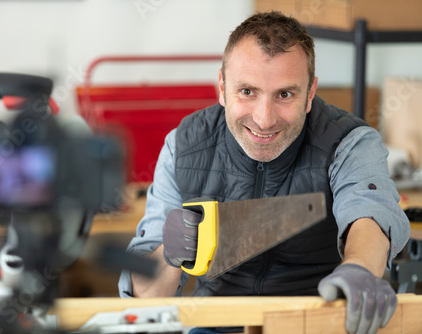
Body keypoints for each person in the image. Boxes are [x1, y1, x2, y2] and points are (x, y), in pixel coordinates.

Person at [118, 11, 410, 334]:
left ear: (310, 93)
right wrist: (169, 256)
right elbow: (144, 299)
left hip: (314, 323)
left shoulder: (350, 142)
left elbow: (369, 216)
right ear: (221, 87)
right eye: (247, 92)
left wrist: (360, 269)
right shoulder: (182, 146)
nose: (264, 118)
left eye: (285, 95)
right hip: (215, 326)